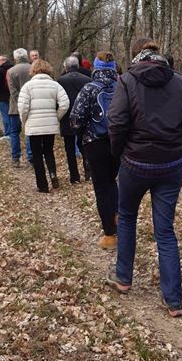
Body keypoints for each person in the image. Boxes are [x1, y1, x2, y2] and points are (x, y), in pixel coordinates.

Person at [106, 37, 182, 317]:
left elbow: (117, 122)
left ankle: (123, 278)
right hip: (169, 166)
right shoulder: (179, 82)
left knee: (127, 217)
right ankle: (173, 301)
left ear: (135, 56)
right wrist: (178, 150)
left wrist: (119, 153)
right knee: (165, 230)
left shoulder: (126, 81)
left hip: (135, 163)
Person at [70, 52, 120, 248]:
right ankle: (116, 217)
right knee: (112, 181)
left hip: (94, 142)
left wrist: (81, 134)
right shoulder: (122, 87)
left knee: (100, 188)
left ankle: (109, 235)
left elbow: (76, 119)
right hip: (117, 141)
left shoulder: (89, 89)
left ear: (96, 68)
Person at [17, 59, 69, 193]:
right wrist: (56, 117)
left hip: (34, 125)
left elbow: (23, 107)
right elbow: (64, 103)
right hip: (50, 125)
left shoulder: (27, 86)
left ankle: (42, 185)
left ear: (33, 70)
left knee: (37, 154)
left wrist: (24, 121)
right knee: (48, 150)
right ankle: (53, 174)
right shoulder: (55, 85)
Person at [58, 55, 90, 184]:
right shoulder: (87, 79)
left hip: (67, 118)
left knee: (69, 148)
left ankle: (74, 176)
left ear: (66, 66)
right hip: (84, 117)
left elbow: (59, 101)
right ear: (77, 66)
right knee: (84, 146)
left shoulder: (60, 81)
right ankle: (88, 171)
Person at [6, 48, 34, 168]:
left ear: (15, 58)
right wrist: (28, 103)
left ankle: (15, 158)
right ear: (26, 56)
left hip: (15, 108)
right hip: (31, 106)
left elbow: (13, 91)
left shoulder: (11, 71)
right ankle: (31, 157)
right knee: (30, 132)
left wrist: (21, 103)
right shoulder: (33, 69)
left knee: (14, 132)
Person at [0, 54, 13, 139]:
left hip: (2, 96)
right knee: (11, 114)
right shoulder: (12, 68)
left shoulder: (0, 70)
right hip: (12, 95)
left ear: (4, 60)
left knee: (5, 115)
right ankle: (13, 131)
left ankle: (8, 133)